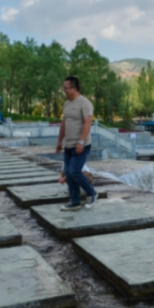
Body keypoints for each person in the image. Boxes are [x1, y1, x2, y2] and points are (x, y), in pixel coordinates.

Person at [55, 76, 98, 211]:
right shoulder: (67, 104)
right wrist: (59, 141)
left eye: (66, 89)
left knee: (74, 171)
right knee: (68, 173)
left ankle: (92, 193)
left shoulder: (85, 103)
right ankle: (75, 202)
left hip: (81, 145)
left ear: (74, 88)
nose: (64, 91)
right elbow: (64, 123)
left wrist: (81, 142)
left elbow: (87, 123)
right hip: (68, 145)